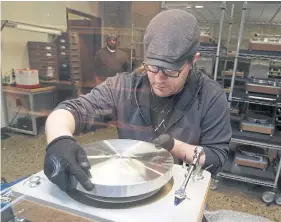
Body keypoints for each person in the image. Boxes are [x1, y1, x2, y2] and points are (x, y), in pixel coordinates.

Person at [44, 9, 232, 192]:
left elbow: (217, 158)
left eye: (171, 71)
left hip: (182, 190)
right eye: (153, 67)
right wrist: (59, 141)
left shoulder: (210, 96)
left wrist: (175, 146)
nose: (158, 79)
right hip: (131, 186)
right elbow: (71, 110)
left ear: (193, 61)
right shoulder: (124, 87)